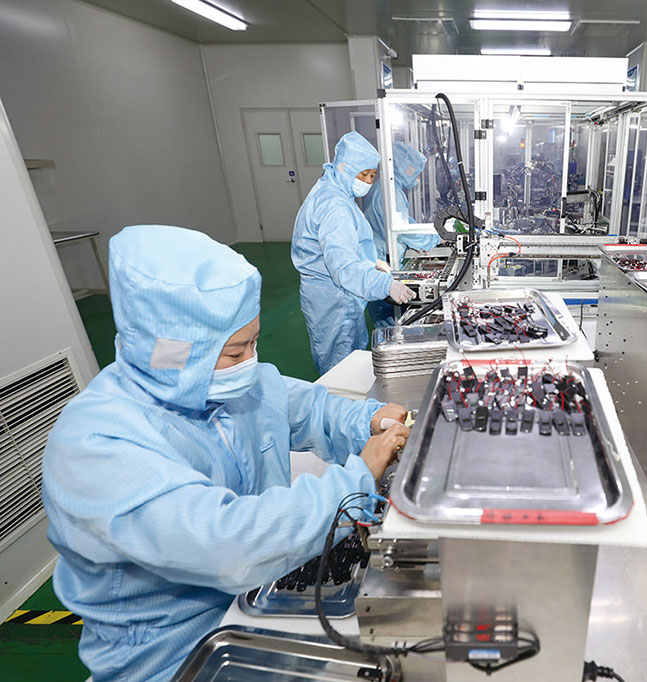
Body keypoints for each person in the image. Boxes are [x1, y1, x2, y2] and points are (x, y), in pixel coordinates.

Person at [42, 225, 411, 682]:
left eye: (254, 343)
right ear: (173, 353)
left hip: (256, 599)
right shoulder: (97, 448)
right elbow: (228, 543)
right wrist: (355, 480)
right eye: (236, 353)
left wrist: (367, 420)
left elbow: (301, 406)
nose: (251, 363)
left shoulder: (224, 385)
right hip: (173, 656)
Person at [292, 131, 415, 374]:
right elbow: (344, 269)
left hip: (336, 296)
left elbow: (340, 247)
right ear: (344, 167)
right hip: (334, 301)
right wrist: (385, 284)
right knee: (341, 370)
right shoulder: (334, 205)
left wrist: (369, 261)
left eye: (372, 175)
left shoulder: (333, 191)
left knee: (350, 361)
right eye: (363, 174)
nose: (368, 181)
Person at [363, 141, 440, 266]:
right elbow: (404, 230)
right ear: (408, 169)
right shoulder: (392, 193)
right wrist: (435, 239)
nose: (418, 177)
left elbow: (404, 224)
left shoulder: (381, 187)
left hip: (379, 253)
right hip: (386, 258)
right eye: (417, 172)